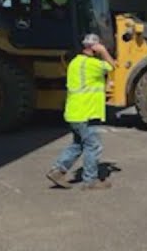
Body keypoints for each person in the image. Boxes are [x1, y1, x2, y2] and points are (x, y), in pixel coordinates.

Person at [46, 34, 115, 190]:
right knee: (93, 146)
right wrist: (104, 52)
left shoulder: (75, 63)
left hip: (74, 112)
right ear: (94, 47)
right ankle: (90, 181)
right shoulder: (93, 64)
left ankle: (58, 171)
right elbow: (112, 65)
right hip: (86, 113)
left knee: (78, 145)